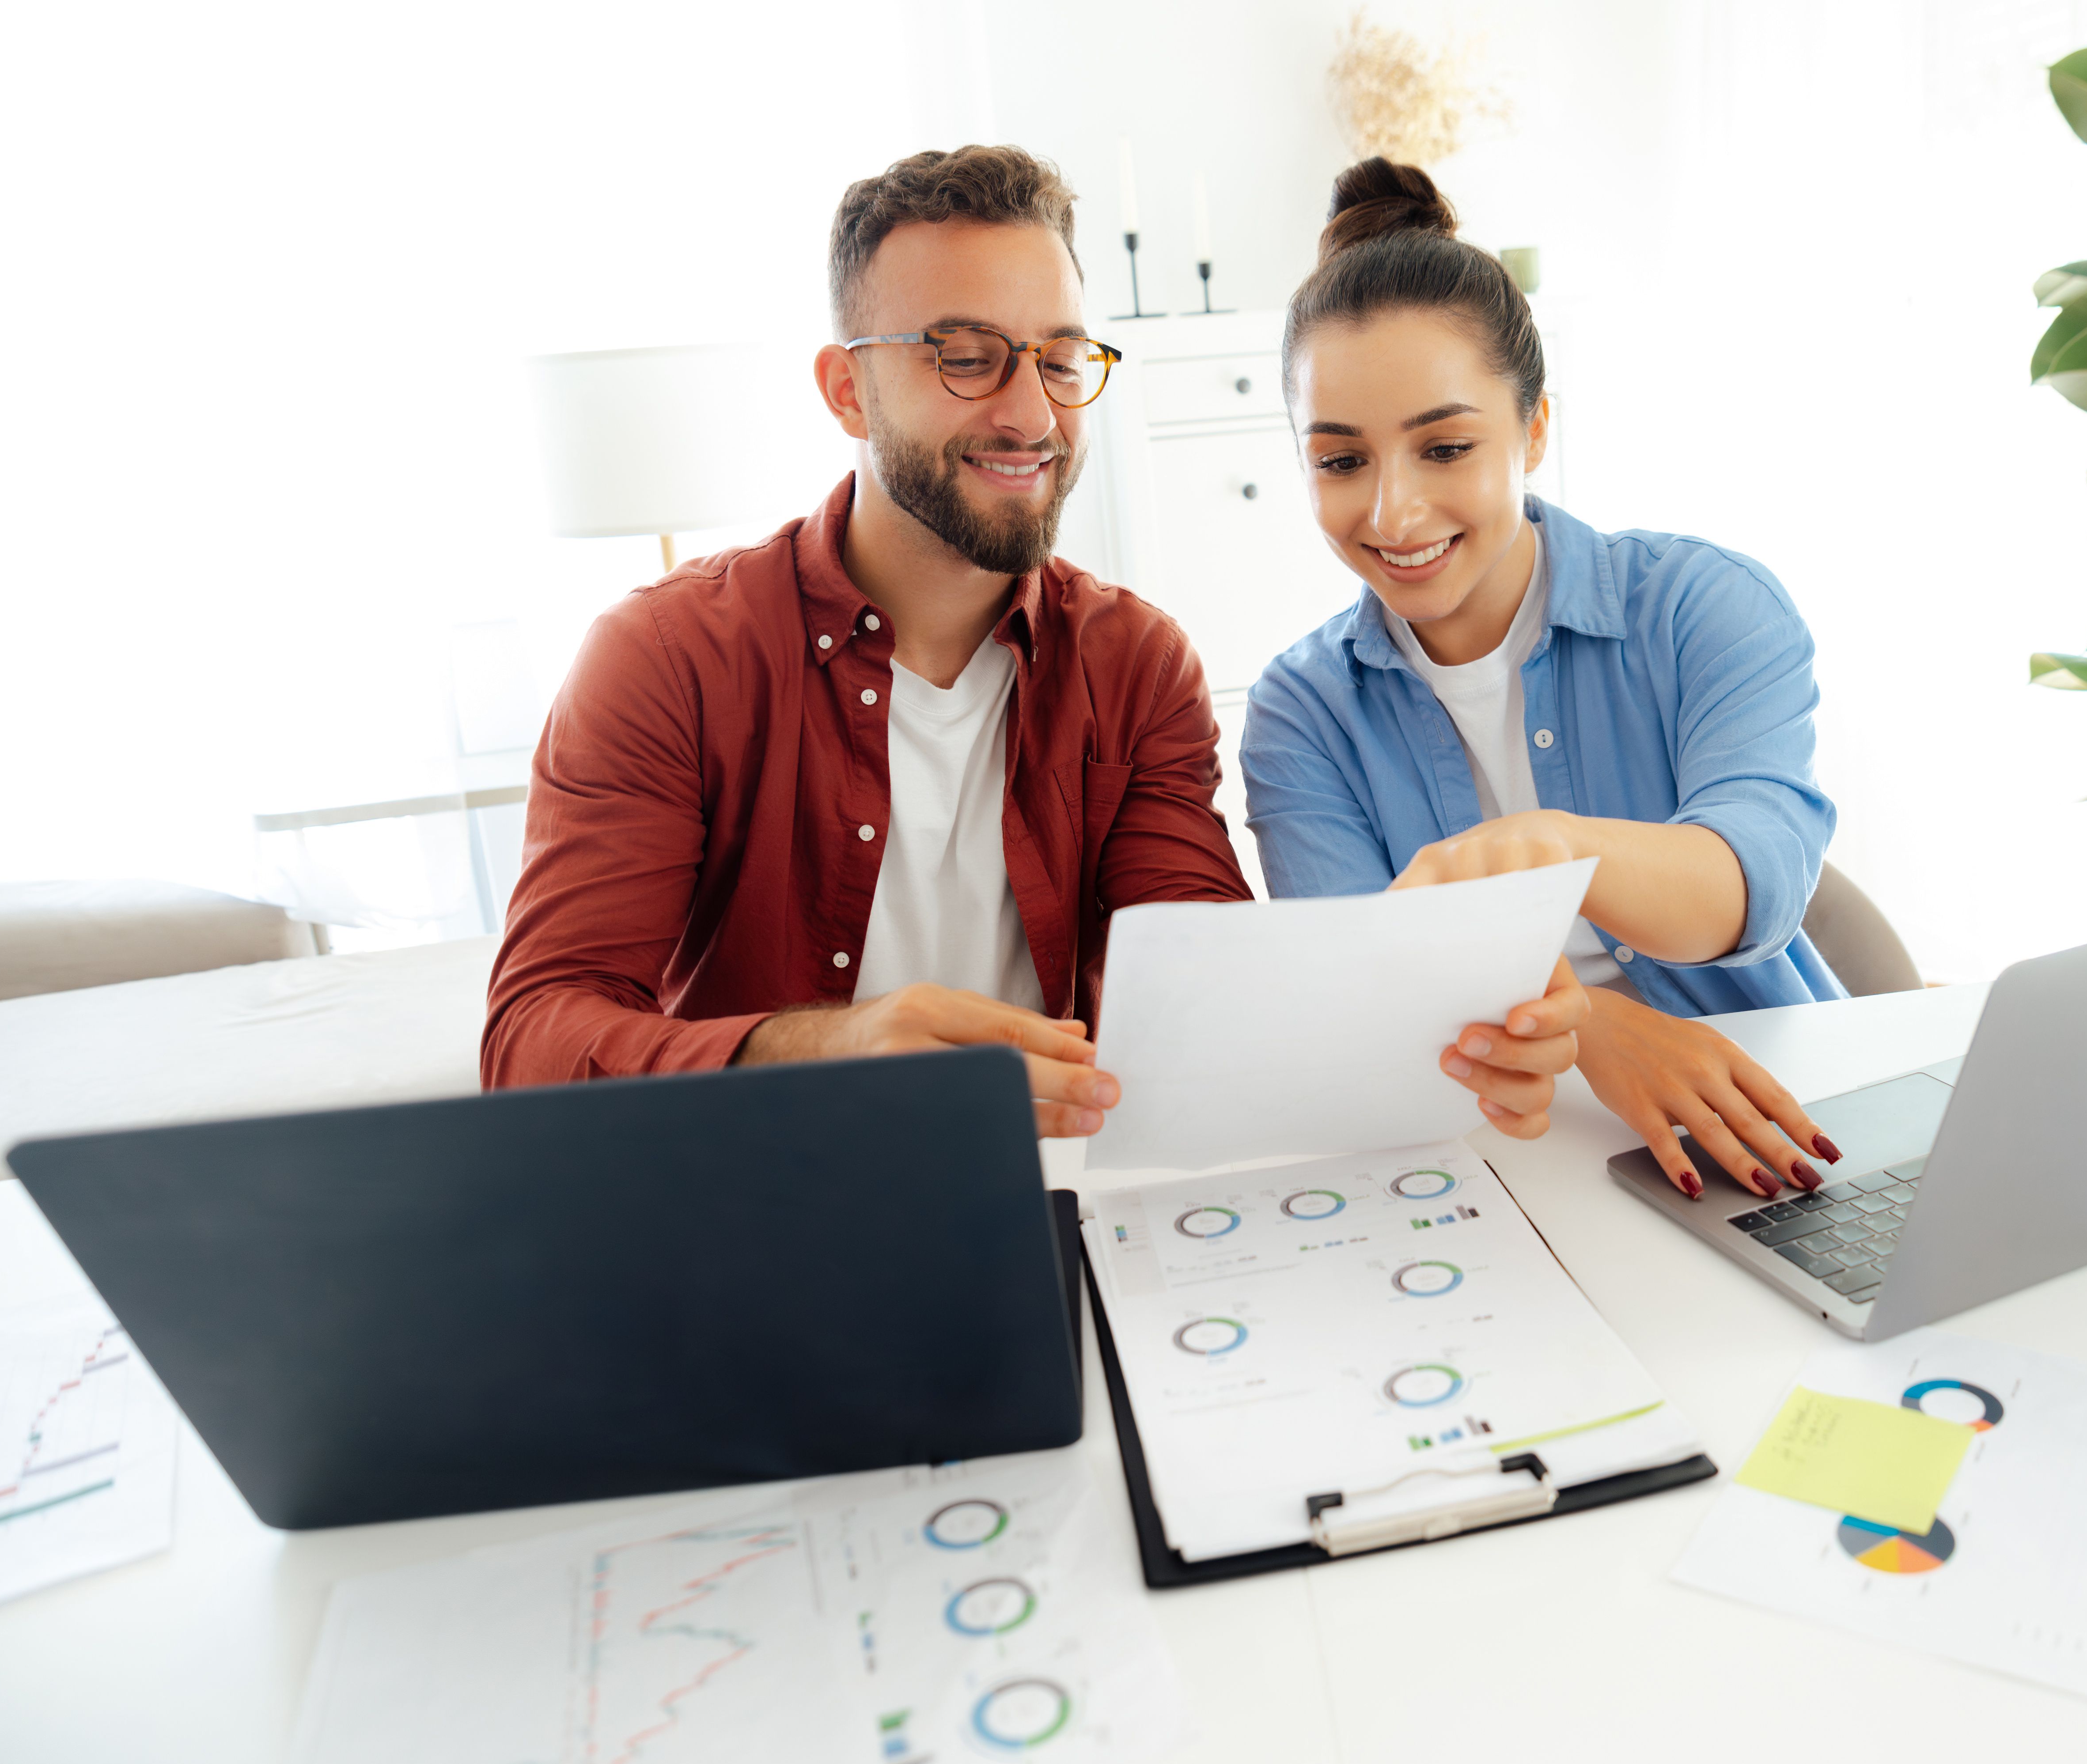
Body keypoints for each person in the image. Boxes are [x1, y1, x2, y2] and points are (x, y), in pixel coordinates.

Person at [484, 145, 1586, 1140]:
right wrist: (827, 1049)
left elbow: (1209, 987)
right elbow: (531, 1041)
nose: (1031, 413)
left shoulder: (1135, 665)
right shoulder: (667, 658)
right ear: (846, 390)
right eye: (966, 357)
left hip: (1054, 1189)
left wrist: (1477, 1031)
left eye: (1060, 360)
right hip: (768, 1194)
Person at [1245, 158, 1849, 1201]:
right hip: (1495, 1158)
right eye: (1341, 462)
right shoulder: (1301, 712)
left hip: (1772, 1117)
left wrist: (1556, 849)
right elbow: (1366, 985)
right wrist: (1604, 1030)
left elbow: (1758, 880)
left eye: (1444, 446)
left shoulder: (1703, 607)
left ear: (1533, 429)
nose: (1393, 515)